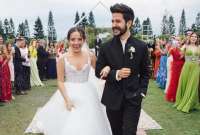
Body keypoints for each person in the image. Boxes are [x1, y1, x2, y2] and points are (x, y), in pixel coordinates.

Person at [25, 27, 112, 135]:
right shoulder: (62, 59)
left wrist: (107, 68)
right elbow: (60, 81)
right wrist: (67, 100)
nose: (76, 42)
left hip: (88, 92)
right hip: (69, 93)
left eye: (79, 39)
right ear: (68, 40)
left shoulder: (91, 56)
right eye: (73, 39)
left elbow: (99, 72)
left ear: (84, 40)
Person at [95, 3, 150, 135]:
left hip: (133, 99)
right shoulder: (105, 47)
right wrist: (116, 73)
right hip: (112, 99)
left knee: (129, 132)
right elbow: (98, 72)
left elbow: (146, 72)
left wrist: (142, 92)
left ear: (129, 23)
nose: (114, 24)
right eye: (112, 21)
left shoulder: (141, 46)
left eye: (118, 21)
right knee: (116, 132)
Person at [174, 32, 200, 113]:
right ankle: (181, 101)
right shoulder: (185, 46)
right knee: (185, 83)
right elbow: (180, 56)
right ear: (190, 37)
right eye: (192, 36)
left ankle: (190, 104)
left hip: (196, 67)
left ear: (197, 39)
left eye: (195, 37)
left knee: (193, 85)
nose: (194, 38)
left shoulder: (199, 47)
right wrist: (180, 47)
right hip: (186, 67)